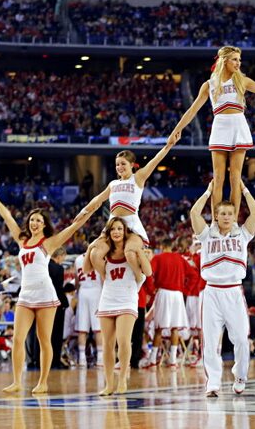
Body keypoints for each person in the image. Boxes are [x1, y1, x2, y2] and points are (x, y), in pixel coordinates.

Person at [0, 179, 102, 393]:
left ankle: (43, 382)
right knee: (18, 337)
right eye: (32, 220)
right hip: (25, 295)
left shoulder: (49, 243)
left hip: (45, 295)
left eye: (38, 220)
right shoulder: (22, 240)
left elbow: (74, 226)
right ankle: (17, 381)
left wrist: (89, 210)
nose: (34, 223)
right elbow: (7, 217)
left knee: (44, 340)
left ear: (44, 224)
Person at [169, 45, 255, 216]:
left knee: (235, 178)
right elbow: (192, 110)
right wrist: (177, 130)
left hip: (238, 125)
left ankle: (232, 222)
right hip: (220, 126)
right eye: (234, 59)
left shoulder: (242, 81)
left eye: (239, 60)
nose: (238, 63)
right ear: (224, 61)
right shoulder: (209, 85)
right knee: (218, 179)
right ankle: (215, 222)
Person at [190, 180, 255, 397]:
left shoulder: (242, 234)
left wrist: (243, 188)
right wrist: (209, 191)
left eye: (231, 213)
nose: (227, 217)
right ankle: (213, 383)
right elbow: (194, 213)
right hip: (211, 292)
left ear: (235, 216)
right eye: (223, 213)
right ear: (216, 216)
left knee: (240, 338)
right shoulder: (206, 234)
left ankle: (240, 375)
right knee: (210, 340)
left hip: (233, 291)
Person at [83, 133, 181, 284]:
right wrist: (83, 211)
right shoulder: (113, 184)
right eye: (117, 164)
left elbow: (155, 161)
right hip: (113, 225)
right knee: (95, 255)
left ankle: (138, 277)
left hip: (131, 224)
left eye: (123, 164)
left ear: (132, 165)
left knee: (129, 253)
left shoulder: (138, 177)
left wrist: (168, 145)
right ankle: (107, 279)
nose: (120, 167)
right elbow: (98, 199)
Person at [90, 217, 152, 395]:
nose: (116, 232)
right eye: (112, 229)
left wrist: (139, 251)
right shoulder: (105, 255)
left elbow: (148, 272)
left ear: (125, 232)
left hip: (128, 299)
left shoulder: (131, 253)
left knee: (124, 341)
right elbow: (100, 274)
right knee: (107, 344)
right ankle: (109, 383)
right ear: (108, 233)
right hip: (108, 299)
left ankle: (123, 377)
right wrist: (90, 249)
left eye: (119, 229)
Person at [146, 239, 190, 369]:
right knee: (175, 328)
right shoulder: (180, 258)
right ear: (172, 246)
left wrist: (151, 288)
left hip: (164, 292)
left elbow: (148, 273)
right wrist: (184, 288)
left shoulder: (158, 258)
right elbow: (193, 274)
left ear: (161, 246)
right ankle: (173, 360)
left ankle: (153, 359)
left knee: (159, 328)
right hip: (177, 294)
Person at [74, 252, 102, 367]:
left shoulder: (78, 259)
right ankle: (100, 358)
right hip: (96, 292)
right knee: (98, 328)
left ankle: (82, 359)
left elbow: (76, 281)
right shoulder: (100, 256)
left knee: (82, 328)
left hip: (83, 291)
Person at [48, 247, 69, 370]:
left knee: (46, 334)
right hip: (57, 304)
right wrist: (64, 303)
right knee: (56, 334)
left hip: (44, 304)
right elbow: (59, 289)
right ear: (59, 255)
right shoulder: (58, 268)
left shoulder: (44, 266)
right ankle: (55, 360)